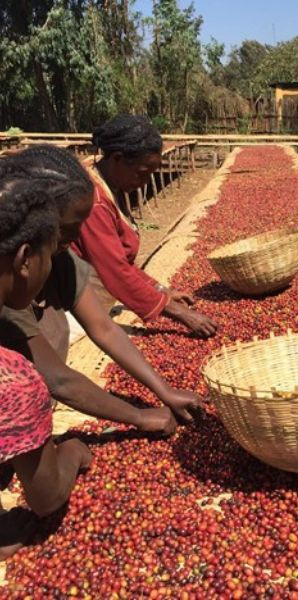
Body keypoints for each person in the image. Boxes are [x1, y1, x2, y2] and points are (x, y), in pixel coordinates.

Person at [0, 146, 198, 431]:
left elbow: (103, 327)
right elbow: (57, 379)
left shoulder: (59, 257)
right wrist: (139, 417)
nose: (78, 236)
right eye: (68, 228)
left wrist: (164, 391)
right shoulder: (9, 282)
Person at [0, 175, 91, 560]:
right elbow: (47, 498)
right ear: (24, 259)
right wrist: (72, 452)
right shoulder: (13, 380)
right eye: (50, 257)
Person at [71, 115, 217, 337]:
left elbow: (121, 263)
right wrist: (180, 314)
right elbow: (116, 272)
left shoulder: (107, 184)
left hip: (94, 302)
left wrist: (161, 291)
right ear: (117, 159)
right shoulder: (93, 202)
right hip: (72, 314)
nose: (145, 182)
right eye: (142, 173)